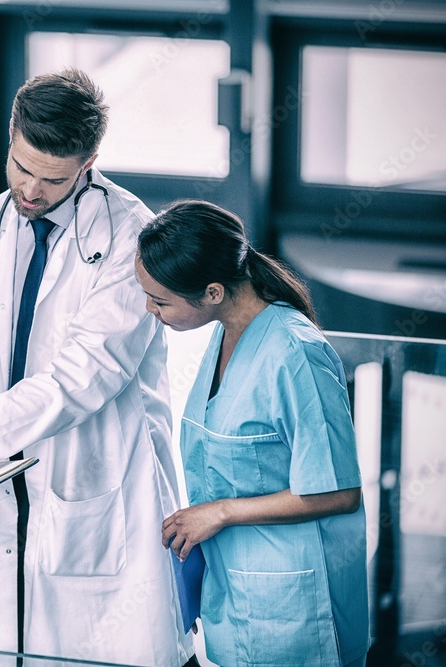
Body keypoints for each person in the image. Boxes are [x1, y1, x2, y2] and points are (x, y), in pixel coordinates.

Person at [0, 69, 195, 666]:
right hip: (7, 482)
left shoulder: (128, 237)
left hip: (103, 479)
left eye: (53, 178)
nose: (31, 190)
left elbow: (88, 372)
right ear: (9, 138)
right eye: (20, 167)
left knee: (117, 646)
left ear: (89, 161)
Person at [135, 200, 369, 667]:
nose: (150, 310)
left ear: (213, 291)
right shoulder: (226, 332)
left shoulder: (296, 353)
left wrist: (218, 513)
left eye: (161, 300)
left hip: (296, 606)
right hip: (237, 593)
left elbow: (339, 492)